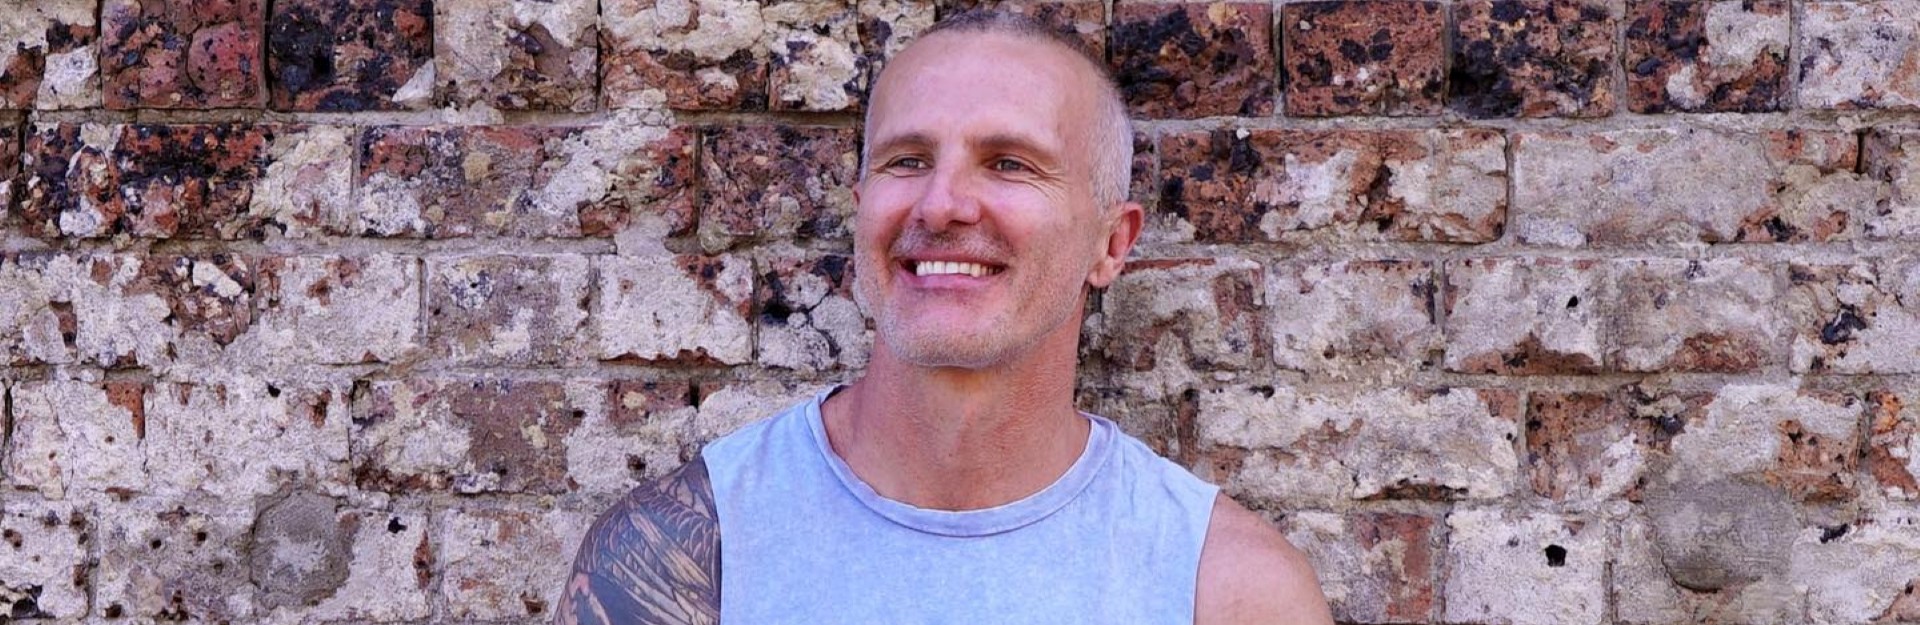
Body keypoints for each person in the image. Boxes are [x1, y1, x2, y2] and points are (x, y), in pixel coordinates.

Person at [556, 11, 1334, 625]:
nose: (941, 204)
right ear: (861, 210)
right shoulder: (680, 557)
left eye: (1009, 163)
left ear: (1111, 242)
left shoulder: (1228, 589)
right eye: (907, 160)